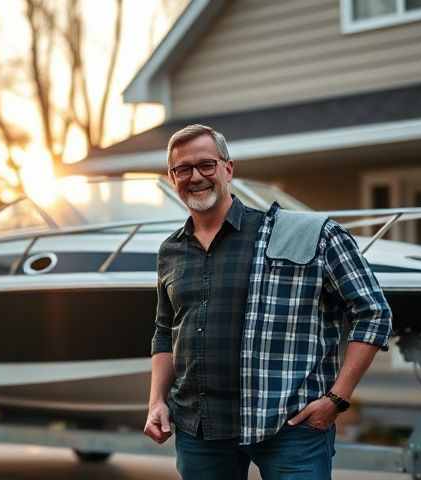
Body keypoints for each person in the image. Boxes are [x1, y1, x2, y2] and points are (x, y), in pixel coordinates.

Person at [144, 124, 393, 480]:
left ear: (228, 169)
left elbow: (373, 313)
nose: (195, 176)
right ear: (172, 178)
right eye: (183, 169)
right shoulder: (171, 250)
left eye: (206, 165)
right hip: (200, 430)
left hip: (289, 425)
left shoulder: (298, 234)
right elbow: (165, 331)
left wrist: (336, 399)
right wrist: (156, 402)